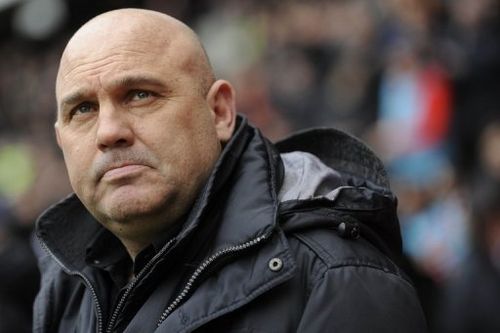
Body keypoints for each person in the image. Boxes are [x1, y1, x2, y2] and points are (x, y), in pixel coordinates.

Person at [33, 8, 427, 333]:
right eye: (82, 109)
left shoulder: (338, 278)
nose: (109, 131)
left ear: (219, 112)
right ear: (59, 137)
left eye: (140, 95)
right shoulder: (64, 288)